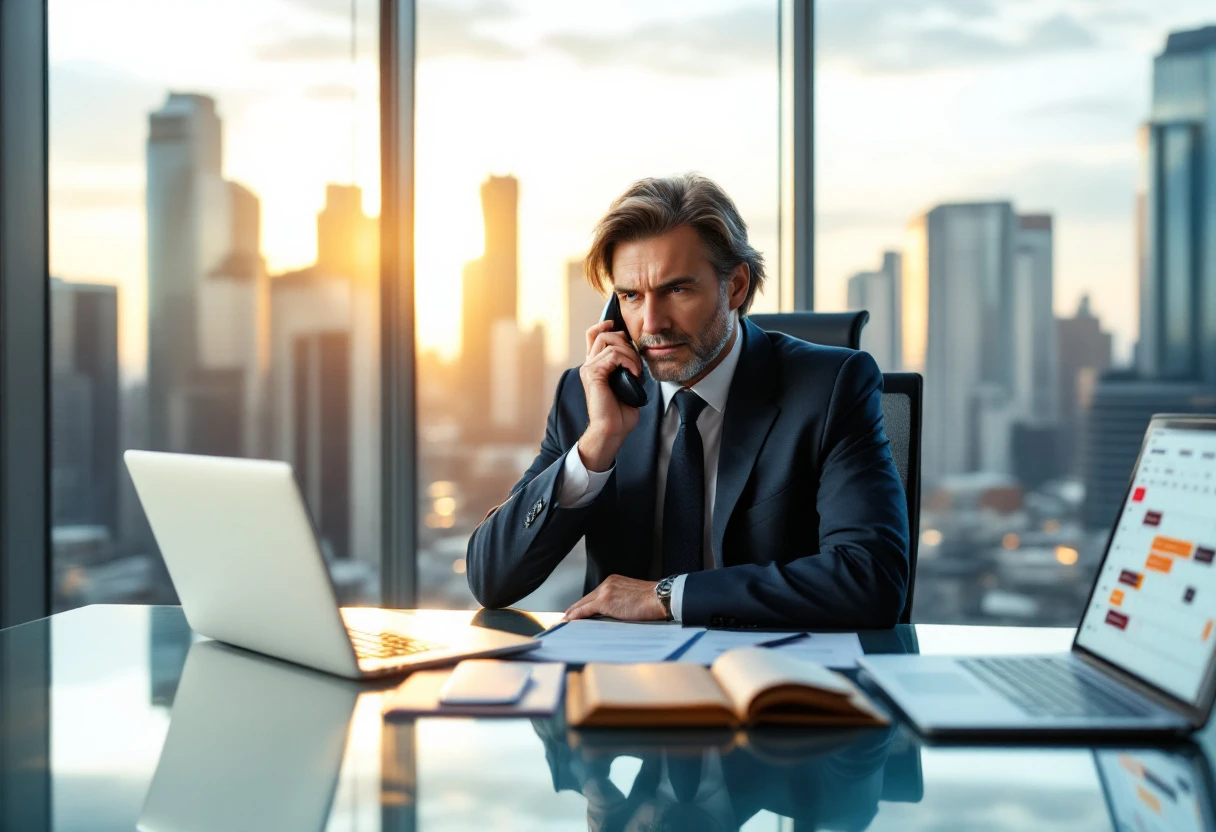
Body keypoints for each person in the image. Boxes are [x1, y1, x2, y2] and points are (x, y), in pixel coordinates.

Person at [466, 173, 909, 628]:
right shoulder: (587, 399)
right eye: (631, 296)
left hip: (766, 675)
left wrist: (668, 596)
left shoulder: (829, 388)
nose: (652, 322)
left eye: (677, 289)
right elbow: (491, 579)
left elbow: (871, 578)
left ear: (736, 286)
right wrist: (597, 445)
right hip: (620, 681)